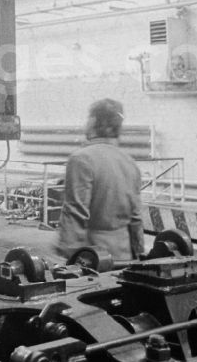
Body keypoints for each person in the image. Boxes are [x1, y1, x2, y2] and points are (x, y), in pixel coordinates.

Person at [55, 98, 144, 262]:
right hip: (125, 255)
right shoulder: (129, 162)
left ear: (93, 121)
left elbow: (76, 210)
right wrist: (140, 255)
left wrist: (69, 255)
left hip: (95, 258)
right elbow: (136, 217)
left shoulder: (81, 159)